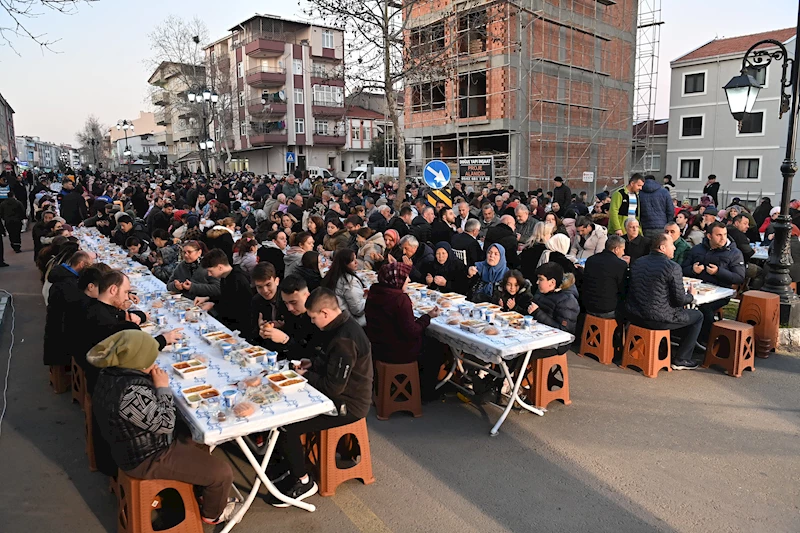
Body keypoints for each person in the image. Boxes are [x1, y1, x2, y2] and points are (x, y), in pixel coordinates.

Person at [89, 330, 237, 525]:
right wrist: (162, 387)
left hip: (131, 445)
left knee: (196, 434)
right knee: (221, 473)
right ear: (140, 360)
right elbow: (165, 424)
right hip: (146, 457)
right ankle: (213, 514)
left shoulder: (111, 373)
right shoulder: (130, 392)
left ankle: (198, 486)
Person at [270, 288, 373, 506]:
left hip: (349, 403)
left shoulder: (345, 338)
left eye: (314, 317)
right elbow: (329, 362)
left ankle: (304, 480)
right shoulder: (338, 327)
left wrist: (307, 375)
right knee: (283, 412)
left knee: (287, 424)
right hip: (337, 392)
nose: (313, 322)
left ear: (325, 312)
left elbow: (333, 386)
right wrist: (312, 363)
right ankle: (292, 466)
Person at [365, 262, 442, 400]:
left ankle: (407, 383)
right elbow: (411, 331)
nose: (409, 280)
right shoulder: (400, 298)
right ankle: (423, 392)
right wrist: (427, 317)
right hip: (396, 350)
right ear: (397, 280)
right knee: (435, 347)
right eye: (406, 277)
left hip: (377, 345)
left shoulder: (375, 291)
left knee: (428, 341)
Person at [627, 232, 703, 370]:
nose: (674, 248)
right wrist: (691, 296)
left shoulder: (638, 262)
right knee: (697, 316)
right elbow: (680, 299)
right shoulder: (672, 267)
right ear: (662, 248)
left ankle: (664, 349)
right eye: (671, 245)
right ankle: (681, 359)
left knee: (680, 313)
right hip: (658, 319)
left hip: (635, 315)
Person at [682, 222, 745, 343]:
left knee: (705, 309)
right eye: (719, 235)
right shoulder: (697, 249)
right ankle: (684, 337)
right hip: (696, 289)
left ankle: (705, 341)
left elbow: (739, 278)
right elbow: (682, 269)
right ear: (709, 236)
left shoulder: (734, 253)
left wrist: (718, 272)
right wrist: (692, 270)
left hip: (720, 292)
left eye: (725, 234)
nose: (723, 238)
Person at [43, 250, 96, 368]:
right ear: (82, 264)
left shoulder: (63, 275)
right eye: (90, 263)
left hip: (56, 333)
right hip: (62, 340)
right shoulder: (69, 285)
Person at [194, 249, 254, 334]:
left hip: (239, 326)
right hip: (229, 321)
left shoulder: (238, 279)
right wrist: (207, 298)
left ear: (220, 267)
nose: (209, 274)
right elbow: (224, 296)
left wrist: (213, 305)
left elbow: (236, 306)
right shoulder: (225, 276)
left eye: (210, 271)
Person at [526, 262, 579, 356]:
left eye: (541, 279)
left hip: (558, 343)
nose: (537, 282)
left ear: (552, 282)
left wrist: (537, 313)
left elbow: (564, 331)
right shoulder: (542, 291)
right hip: (537, 334)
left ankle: (510, 370)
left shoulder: (567, 301)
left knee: (522, 352)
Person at [582, 236, 627, 333]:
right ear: (616, 249)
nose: (623, 253)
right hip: (607, 309)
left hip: (588, 306)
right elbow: (622, 289)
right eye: (623, 250)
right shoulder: (620, 264)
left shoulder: (591, 260)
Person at [321, 249, 367, 326]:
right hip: (352, 322)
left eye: (356, 259)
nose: (356, 263)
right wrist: (368, 298)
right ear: (345, 264)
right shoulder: (349, 282)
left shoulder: (332, 276)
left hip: (339, 317)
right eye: (352, 261)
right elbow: (358, 310)